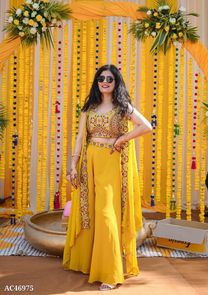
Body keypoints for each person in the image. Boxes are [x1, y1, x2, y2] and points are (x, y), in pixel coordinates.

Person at [63, 64, 152, 291]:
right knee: (89, 213)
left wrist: (122, 139)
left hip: (111, 164)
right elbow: (80, 137)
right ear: (97, 81)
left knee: (106, 214)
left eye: (109, 79)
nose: (104, 81)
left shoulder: (123, 107)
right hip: (88, 164)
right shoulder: (89, 107)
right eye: (101, 78)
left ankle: (110, 273)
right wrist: (72, 165)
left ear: (116, 82)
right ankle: (88, 263)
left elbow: (146, 126)